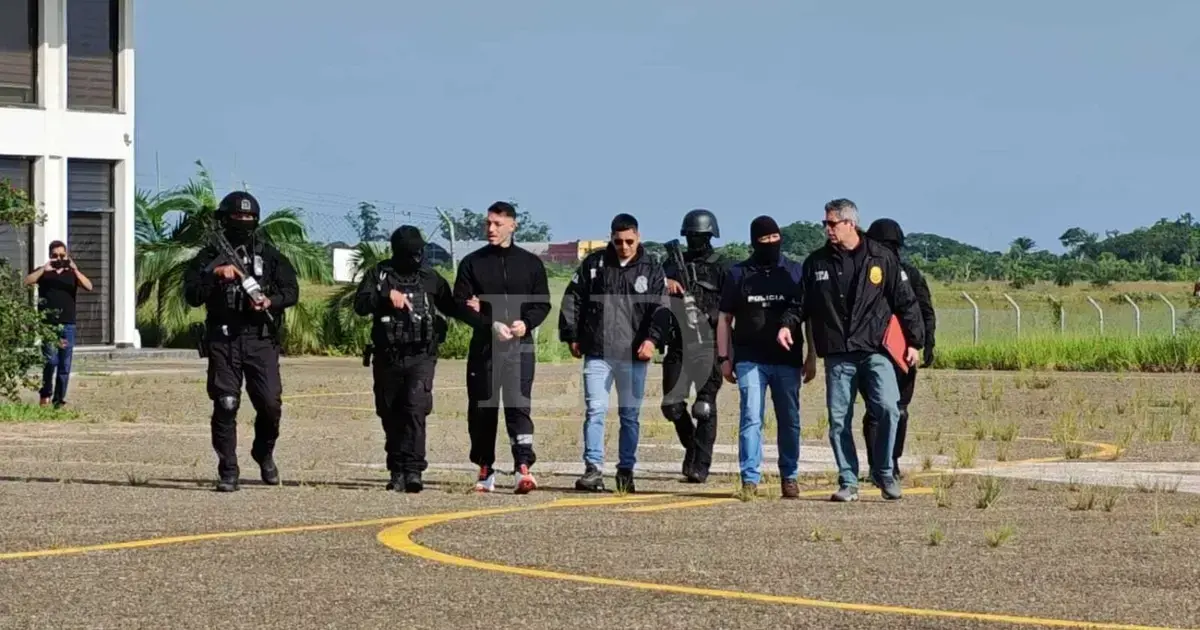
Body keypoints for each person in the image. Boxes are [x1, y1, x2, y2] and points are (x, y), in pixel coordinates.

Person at [778, 199, 924, 502]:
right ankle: (847, 480)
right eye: (825, 224)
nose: (827, 229)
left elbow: (905, 302)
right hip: (838, 354)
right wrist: (786, 325)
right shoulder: (816, 263)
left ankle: (884, 471)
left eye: (832, 223)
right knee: (839, 421)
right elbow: (799, 304)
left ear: (850, 224)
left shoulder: (881, 258)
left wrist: (914, 342)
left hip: (875, 351)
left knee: (887, 408)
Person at [183, 191, 299, 492]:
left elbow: (291, 292)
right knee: (226, 403)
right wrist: (215, 275)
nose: (243, 221)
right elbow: (192, 295)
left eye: (249, 217)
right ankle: (228, 469)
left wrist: (269, 302)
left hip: (260, 340)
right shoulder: (209, 257)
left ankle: (264, 452)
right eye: (237, 216)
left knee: (270, 404)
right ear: (225, 219)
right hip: (224, 340)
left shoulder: (270, 256)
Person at [354, 225, 482, 493]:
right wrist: (385, 296)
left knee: (414, 408)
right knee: (390, 411)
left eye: (419, 250)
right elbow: (361, 305)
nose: (416, 255)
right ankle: (396, 469)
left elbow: (452, 306)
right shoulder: (379, 274)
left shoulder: (430, 278)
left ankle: (413, 470)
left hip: (421, 355)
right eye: (411, 251)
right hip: (387, 355)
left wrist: (485, 319)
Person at [559, 213, 669, 493]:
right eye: (618, 241)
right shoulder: (595, 264)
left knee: (629, 415)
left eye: (629, 241)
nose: (624, 247)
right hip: (598, 351)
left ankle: (625, 471)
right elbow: (573, 297)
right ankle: (593, 469)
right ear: (611, 237)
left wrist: (652, 341)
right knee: (595, 410)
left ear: (638, 237)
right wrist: (571, 334)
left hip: (633, 354)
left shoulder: (652, 268)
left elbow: (661, 308)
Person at [452, 201, 551, 494]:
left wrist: (526, 324)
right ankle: (485, 470)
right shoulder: (472, 262)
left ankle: (523, 467)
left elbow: (541, 303)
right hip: (485, 348)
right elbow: (461, 304)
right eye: (488, 224)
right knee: (483, 407)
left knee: (519, 406)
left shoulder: (531, 263)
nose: (491, 229)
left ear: (512, 225)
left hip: (520, 347)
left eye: (497, 224)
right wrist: (489, 323)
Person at [715, 216, 814, 498]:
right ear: (753, 242)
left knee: (790, 419)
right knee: (750, 417)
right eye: (764, 240)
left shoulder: (795, 272)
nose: (770, 244)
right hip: (749, 357)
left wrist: (811, 356)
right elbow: (724, 319)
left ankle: (790, 476)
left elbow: (807, 318)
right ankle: (749, 478)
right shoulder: (738, 274)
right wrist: (724, 357)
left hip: (787, 359)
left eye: (774, 238)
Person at [859, 218, 936, 481]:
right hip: (872, 351)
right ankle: (876, 464)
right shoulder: (864, 273)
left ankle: (892, 460)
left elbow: (925, 311)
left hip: (904, 353)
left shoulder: (910, 274)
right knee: (876, 410)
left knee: (899, 409)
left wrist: (926, 344)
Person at [659, 209, 729, 483]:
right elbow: (650, 287)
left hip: (708, 343)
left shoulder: (722, 266)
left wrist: (710, 315)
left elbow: (732, 304)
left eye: (700, 237)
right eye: (691, 236)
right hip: (678, 342)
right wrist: (667, 284)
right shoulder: (672, 265)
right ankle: (693, 449)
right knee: (672, 406)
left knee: (704, 407)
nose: (695, 241)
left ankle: (700, 465)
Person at [24, 240, 93, 409]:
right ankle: (45, 393)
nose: (59, 258)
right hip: (48, 324)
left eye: (62, 255)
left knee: (64, 364)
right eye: (55, 255)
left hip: (67, 324)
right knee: (51, 361)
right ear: (50, 256)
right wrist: (43, 269)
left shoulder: (71, 273)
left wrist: (75, 269)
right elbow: (27, 281)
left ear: (67, 255)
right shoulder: (45, 272)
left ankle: (59, 400)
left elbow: (89, 286)